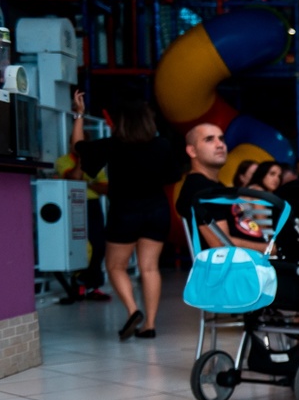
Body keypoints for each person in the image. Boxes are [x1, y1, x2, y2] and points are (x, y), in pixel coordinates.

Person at [75, 98, 180, 340]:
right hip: (157, 211)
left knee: (115, 266)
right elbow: (172, 177)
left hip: (124, 212)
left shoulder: (113, 145)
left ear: (120, 122)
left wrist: (79, 115)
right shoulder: (162, 145)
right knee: (150, 267)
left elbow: (79, 147)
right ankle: (149, 325)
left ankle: (133, 311)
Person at [176, 124, 268, 252]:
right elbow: (221, 244)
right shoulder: (200, 188)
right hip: (239, 262)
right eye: (209, 139)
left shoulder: (214, 186)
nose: (220, 145)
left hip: (254, 258)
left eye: (221, 139)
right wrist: (271, 249)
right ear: (192, 151)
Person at [56, 89, 110, 303]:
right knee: (79, 246)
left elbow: (105, 188)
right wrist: (83, 162)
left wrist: (90, 183)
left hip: (93, 205)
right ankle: (78, 283)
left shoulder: (98, 162)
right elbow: (75, 179)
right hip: (72, 206)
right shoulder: (63, 161)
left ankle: (93, 285)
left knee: (99, 245)